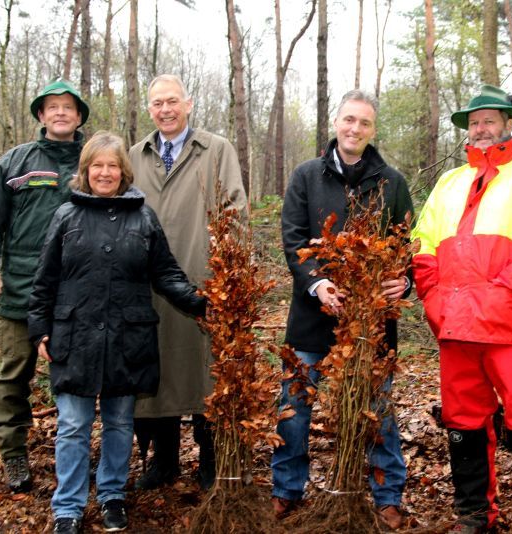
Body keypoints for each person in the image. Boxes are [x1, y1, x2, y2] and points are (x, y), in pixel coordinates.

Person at [27, 131, 207, 534]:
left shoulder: (142, 217)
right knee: (72, 425)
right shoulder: (66, 216)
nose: (104, 173)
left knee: (120, 423)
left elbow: (165, 272)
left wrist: (202, 302)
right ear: (86, 171)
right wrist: (39, 329)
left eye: (112, 166)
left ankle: (111, 496)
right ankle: (68, 507)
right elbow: (45, 280)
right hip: (75, 337)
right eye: (97, 166)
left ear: (123, 172)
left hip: (128, 338)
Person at [411, 84, 512, 534]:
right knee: (462, 424)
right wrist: (434, 299)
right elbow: (422, 248)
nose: (481, 129)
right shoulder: (449, 183)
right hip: (456, 330)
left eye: (489, 120)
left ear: (508, 124)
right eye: (475, 121)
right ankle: (474, 516)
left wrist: (497, 293)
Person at [274, 89, 413, 530]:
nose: (355, 129)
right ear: (336, 123)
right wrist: (317, 283)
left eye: (364, 123)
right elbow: (294, 239)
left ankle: (387, 496)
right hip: (313, 317)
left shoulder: (392, 182)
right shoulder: (306, 176)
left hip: (371, 322)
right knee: (294, 407)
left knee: (378, 411)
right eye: (348, 120)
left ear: (373, 130)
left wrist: (402, 279)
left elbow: (405, 248)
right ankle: (286, 490)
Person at [129, 74, 247, 491]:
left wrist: (224, 276)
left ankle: (211, 459)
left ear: (189, 103)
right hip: (147, 291)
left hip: (203, 283)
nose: (165, 109)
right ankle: (163, 461)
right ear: (149, 109)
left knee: (206, 373)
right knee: (156, 373)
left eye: (172, 101)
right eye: (157, 102)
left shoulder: (216, 149)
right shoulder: (134, 156)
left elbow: (235, 211)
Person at [0, 79, 88, 493]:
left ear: (78, 116)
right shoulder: (16, 161)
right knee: (15, 372)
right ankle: (13, 451)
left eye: (68, 107)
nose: (60, 113)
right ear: (41, 115)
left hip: (77, 293)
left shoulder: (95, 162)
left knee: (78, 375)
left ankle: (74, 454)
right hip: (21, 286)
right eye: (52, 107)